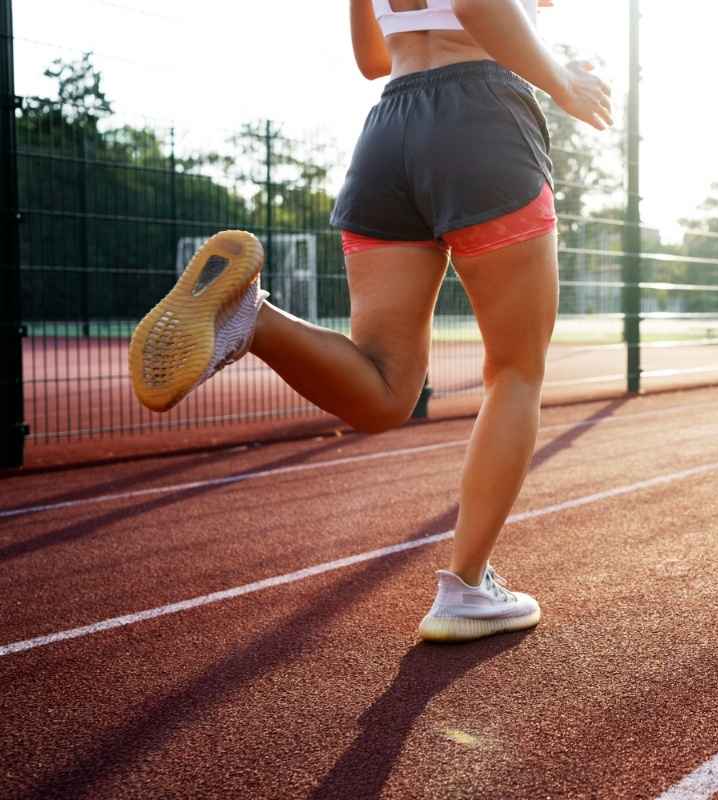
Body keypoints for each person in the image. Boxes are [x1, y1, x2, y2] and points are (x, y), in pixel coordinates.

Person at [127, 0, 612, 642]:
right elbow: (475, 5)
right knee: (516, 372)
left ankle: (253, 319)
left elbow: (373, 58)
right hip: (484, 119)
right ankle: (467, 589)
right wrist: (563, 81)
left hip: (389, 131)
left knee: (385, 391)